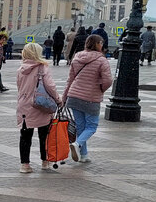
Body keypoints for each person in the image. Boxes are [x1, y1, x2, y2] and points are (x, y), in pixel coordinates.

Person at [62, 33, 113, 165]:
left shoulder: (77, 57)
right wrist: (100, 88)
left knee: (81, 126)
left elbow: (70, 79)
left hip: (74, 96)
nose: (102, 45)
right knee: (91, 126)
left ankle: (84, 155)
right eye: (100, 43)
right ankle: (77, 144)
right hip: (91, 97)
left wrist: (64, 96)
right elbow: (108, 80)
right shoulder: (102, 60)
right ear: (96, 44)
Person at [15, 42, 60, 174]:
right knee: (44, 134)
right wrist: (58, 99)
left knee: (25, 136)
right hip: (41, 105)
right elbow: (50, 86)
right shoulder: (42, 68)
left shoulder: (21, 69)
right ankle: (45, 162)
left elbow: (19, 87)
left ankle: (25, 165)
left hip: (24, 105)